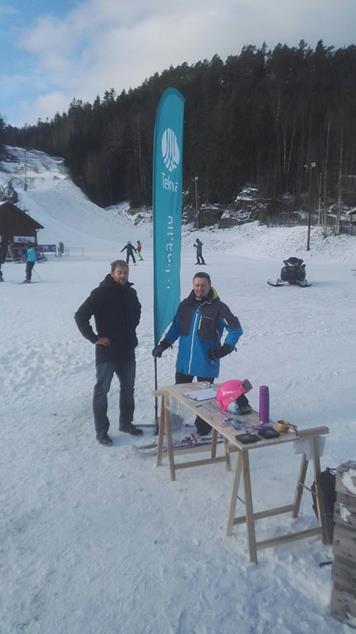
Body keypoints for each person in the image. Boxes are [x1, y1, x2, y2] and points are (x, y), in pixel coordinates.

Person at [152, 271, 246, 435]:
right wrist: (164, 344)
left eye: (203, 286)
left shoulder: (219, 308)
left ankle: (203, 429)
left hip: (206, 362)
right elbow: (176, 328)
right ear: (193, 285)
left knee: (205, 400)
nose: (199, 289)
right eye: (196, 285)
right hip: (184, 362)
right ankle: (174, 427)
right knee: (179, 396)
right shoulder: (185, 306)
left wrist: (224, 349)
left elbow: (235, 329)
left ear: (210, 286)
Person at [74, 259, 143, 446]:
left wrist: (130, 330)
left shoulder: (131, 292)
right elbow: (80, 315)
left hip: (127, 350)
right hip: (107, 351)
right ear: (112, 273)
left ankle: (126, 423)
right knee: (102, 391)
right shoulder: (101, 293)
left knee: (128, 389)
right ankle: (102, 431)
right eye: (119, 272)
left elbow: (137, 311)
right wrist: (95, 338)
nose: (123, 275)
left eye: (125, 272)